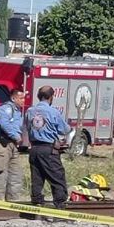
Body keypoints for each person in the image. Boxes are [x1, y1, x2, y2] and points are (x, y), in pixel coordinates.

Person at [26, 86, 70, 219]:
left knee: (37, 179)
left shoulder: (30, 111)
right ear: (51, 97)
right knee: (57, 177)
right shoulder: (53, 112)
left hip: (34, 149)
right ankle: (60, 208)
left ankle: (37, 207)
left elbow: (26, 127)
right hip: (48, 149)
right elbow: (64, 129)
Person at [0, 88, 25, 201]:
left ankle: (13, 201)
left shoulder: (17, 111)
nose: (23, 100)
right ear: (13, 98)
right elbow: (5, 125)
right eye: (21, 98)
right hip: (1, 143)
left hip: (13, 145)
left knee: (15, 175)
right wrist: (16, 137)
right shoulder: (6, 109)